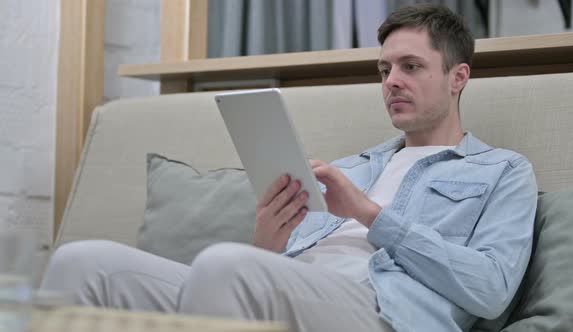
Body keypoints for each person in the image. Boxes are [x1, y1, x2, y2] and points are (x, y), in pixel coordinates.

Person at [41, 4, 537, 332]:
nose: (392, 82)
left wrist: (370, 215)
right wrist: (268, 240)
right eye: (385, 70)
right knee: (82, 261)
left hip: (383, 311)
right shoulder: (353, 167)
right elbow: (263, 274)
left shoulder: (503, 171)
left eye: (411, 67)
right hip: (290, 292)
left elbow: (490, 290)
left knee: (224, 264)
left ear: (458, 77)